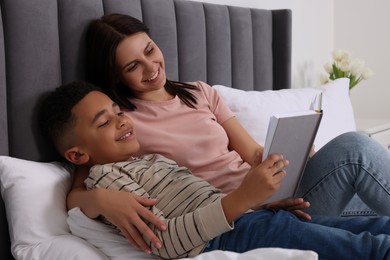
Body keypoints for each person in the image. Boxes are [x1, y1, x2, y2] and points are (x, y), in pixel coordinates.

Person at [68, 13, 390, 254]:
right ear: (116, 77)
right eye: (132, 66)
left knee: (356, 169)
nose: (150, 67)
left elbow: (252, 155)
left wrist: (291, 151)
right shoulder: (123, 122)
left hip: (273, 197)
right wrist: (100, 199)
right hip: (235, 215)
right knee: (356, 151)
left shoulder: (198, 93)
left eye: (150, 51)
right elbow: (83, 180)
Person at [40, 81, 390, 259]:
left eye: (118, 112)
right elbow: (167, 242)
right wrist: (241, 201)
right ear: (77, 153)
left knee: (379, 228)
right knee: (369, 249)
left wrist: (258, 202)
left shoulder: (149, 159)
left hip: (254, 215)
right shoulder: (109, 183)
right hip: (234, 233)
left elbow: (207, 197)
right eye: (105, 121)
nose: (121, 121)